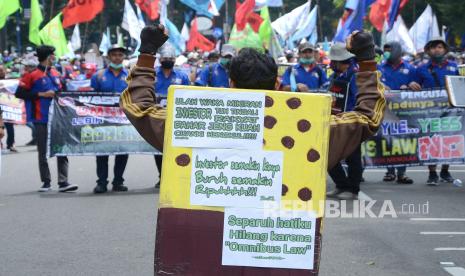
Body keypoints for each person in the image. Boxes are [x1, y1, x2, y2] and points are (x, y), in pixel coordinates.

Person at [120, 25, 386, 179]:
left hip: (204, 245)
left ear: (231, 83)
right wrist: (365, 58)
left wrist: (146, 53)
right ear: (277, 84)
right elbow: (367, 116)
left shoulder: (194, 127)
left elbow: (140, 108)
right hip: (281, 248)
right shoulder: (311, 130)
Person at [15, 45, 77, 192]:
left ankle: (63, 182)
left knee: (61, 149)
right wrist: (41, 95)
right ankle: (46, 182)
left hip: (58, 118)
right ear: (48, 57)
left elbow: (63, 92)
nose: (54, 58)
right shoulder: (32, 75)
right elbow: (19, 93)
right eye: (53, 55)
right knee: (43, 151)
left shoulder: (56, 73)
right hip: (40, 118)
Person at [416, 37, 459, 185]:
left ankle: (445, 170)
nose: (437, 50)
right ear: (428, 51)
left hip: (451, 111)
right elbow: (413, 85)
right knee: (430, 141)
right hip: (429, 112)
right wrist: (410, 84)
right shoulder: (421, 69)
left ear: (445, 50)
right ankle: (432, 173)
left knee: (449, 139)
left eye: (440, 47)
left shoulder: (455, 67)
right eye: (433, 47)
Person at [378, 41, 421, 184]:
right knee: (387, 140)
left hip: (405, 112)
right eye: (385, 50)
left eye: (389, 50)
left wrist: (410, 86)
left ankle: (402, 173)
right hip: (386, 111)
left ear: (397, 50)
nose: (386, 53)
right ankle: (389, 172)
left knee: (404, 141)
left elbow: (418, 88)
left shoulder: (411, 69)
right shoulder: (380, 68)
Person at [325, 43, 363, 200]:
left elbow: (359, 97)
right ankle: (341, 185)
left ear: (340, 61)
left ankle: (353, 189)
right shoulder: (335, 76)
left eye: (334, 61)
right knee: (329, 153)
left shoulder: (355, 75)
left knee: (353, 156)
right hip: (336, 119)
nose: (331, 64)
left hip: (352, 120)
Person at [90, 45, 130, 193]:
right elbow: (90, 99)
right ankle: (101, 182)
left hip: (124, 119)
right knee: (102, 151)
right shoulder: (98, 76)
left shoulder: (130, 75)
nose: (117, 57)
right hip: (103, 119)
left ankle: (118, 181)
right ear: (109, 57)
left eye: (120, 55)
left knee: (122, 150)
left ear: (123, 57)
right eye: (114, 55)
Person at [153, 45, 190, 188]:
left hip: (177, 119)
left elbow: (189, 95)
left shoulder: (182, 76)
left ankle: (174, 177)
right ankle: (162, 176)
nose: (167, 60)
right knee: (158, 148)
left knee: (176, 148)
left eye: (170, 58)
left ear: (175, 59)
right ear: (160, 59)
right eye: (165, 58)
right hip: (157, 118)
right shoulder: (153, 75)